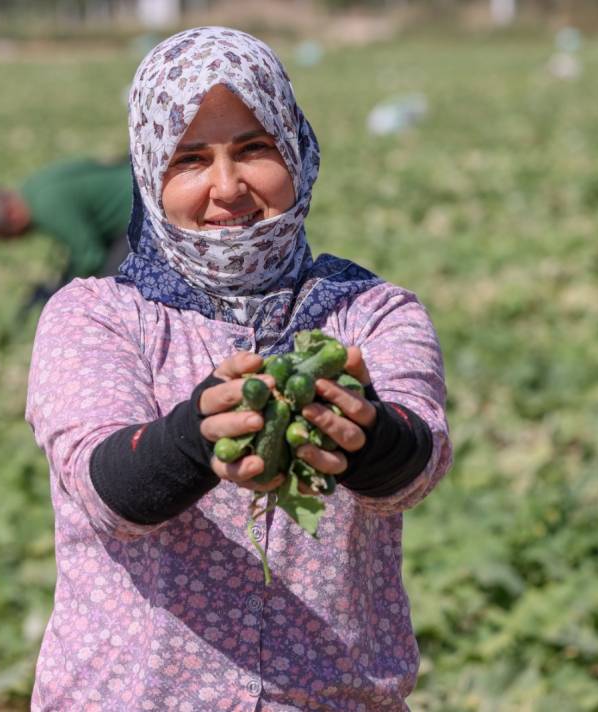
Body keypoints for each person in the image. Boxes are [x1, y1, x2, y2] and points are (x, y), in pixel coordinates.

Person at [25, 27, 452, 710]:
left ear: (298, 151)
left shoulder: (371, 313)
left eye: (254, 149)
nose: (228, 188)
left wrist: (363, 435)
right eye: (190, 160)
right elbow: (109, 491)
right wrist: (197, 434)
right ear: (149, 176)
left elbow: (416, 464)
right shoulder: (97, 317)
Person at [0, 157, 132, 316]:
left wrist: (65, 294)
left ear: (12, 215)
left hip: (133, 213)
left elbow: (91, 256)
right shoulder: (34, 186)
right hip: (135, 183)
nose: (14, 241)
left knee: (113, 288)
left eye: (7, 236)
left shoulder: (47, 208)